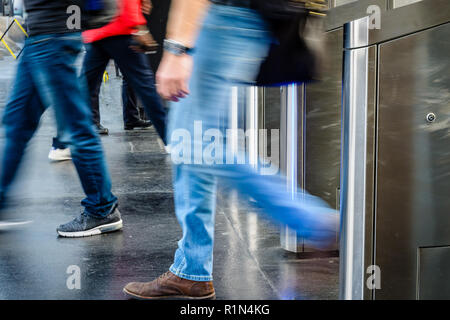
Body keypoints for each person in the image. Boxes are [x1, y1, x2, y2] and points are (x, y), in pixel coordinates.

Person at [123, 0, 339, 300]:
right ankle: (191, 270)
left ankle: (311, 220)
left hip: (220, 18)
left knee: (194, 143)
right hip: (237, 19)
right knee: (194, 149)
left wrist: (177, 50)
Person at [0, 0, 123, 238]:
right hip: (40, 35)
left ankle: (102, 208)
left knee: (75, 127)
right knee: (18, 122)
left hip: (53, 34)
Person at [81, 0, 167, 144]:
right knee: (146, 87)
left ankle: (62, 143)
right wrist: (139, 27)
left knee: (84, 88)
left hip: (97, 29)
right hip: (119, 28)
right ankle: (169, 139)